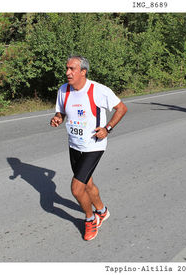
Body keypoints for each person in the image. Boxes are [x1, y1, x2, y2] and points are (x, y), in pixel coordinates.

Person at [50, 55, 128, 241]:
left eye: (72, 69)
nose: (67, 72)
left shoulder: (98, 90)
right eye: (67, 68)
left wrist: (107, 128)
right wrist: (57, 118)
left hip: (93, 145)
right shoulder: (63, 90)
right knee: (88, 183)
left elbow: (122, 108)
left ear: (83, 72)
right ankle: (102, 210)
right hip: (74, 144)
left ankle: (90, 218)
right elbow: (60, 112)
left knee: (77, 189)